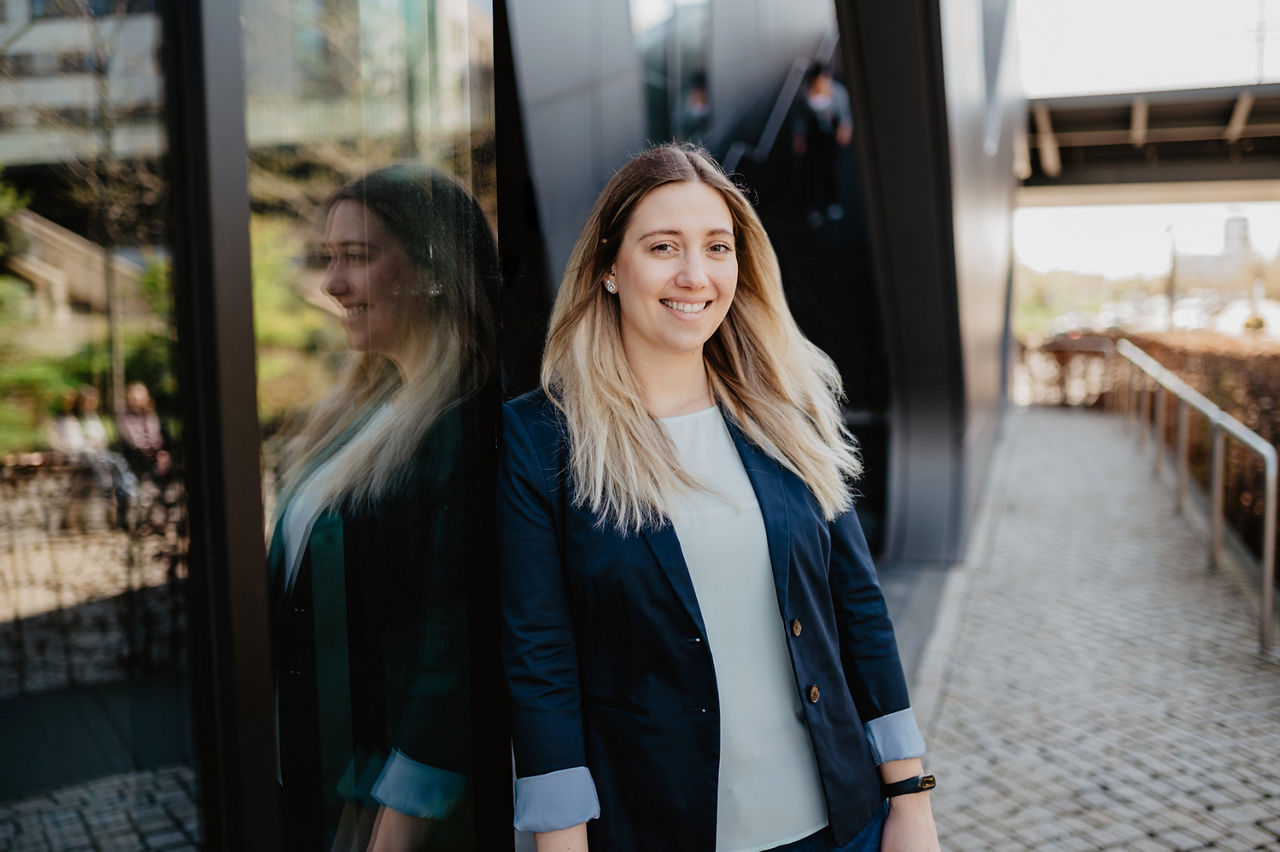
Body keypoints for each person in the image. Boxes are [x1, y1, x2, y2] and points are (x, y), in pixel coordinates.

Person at [499, 142, 939, 851]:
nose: (695, 275)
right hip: (654, 828)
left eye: (717, 247)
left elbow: (859, 609)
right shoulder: (541, 438)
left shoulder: (784, 412)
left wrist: (910, 799)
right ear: (610, 267)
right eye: (663, 247)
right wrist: (561, 839)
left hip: (839, 825)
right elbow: (540, 659)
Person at [268, 164, 499, 851]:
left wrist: (396, 827)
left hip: (386, 807)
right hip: (322, 774)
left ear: (431, 269)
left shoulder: (466, 428)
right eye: (329, 259)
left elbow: (453, 650)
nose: (332, 285)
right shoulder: (359, 412)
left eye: (358, 259)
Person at [792, 62, 853, 228]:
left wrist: (845, 128)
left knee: (830, 168)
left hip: (829, 135)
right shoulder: (804, 94)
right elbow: (800, 118)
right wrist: (799, 137)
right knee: (811, 170)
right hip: (813, 135)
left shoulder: (838, 92)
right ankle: (813, 207)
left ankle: (832, 202)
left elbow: (845, 114)